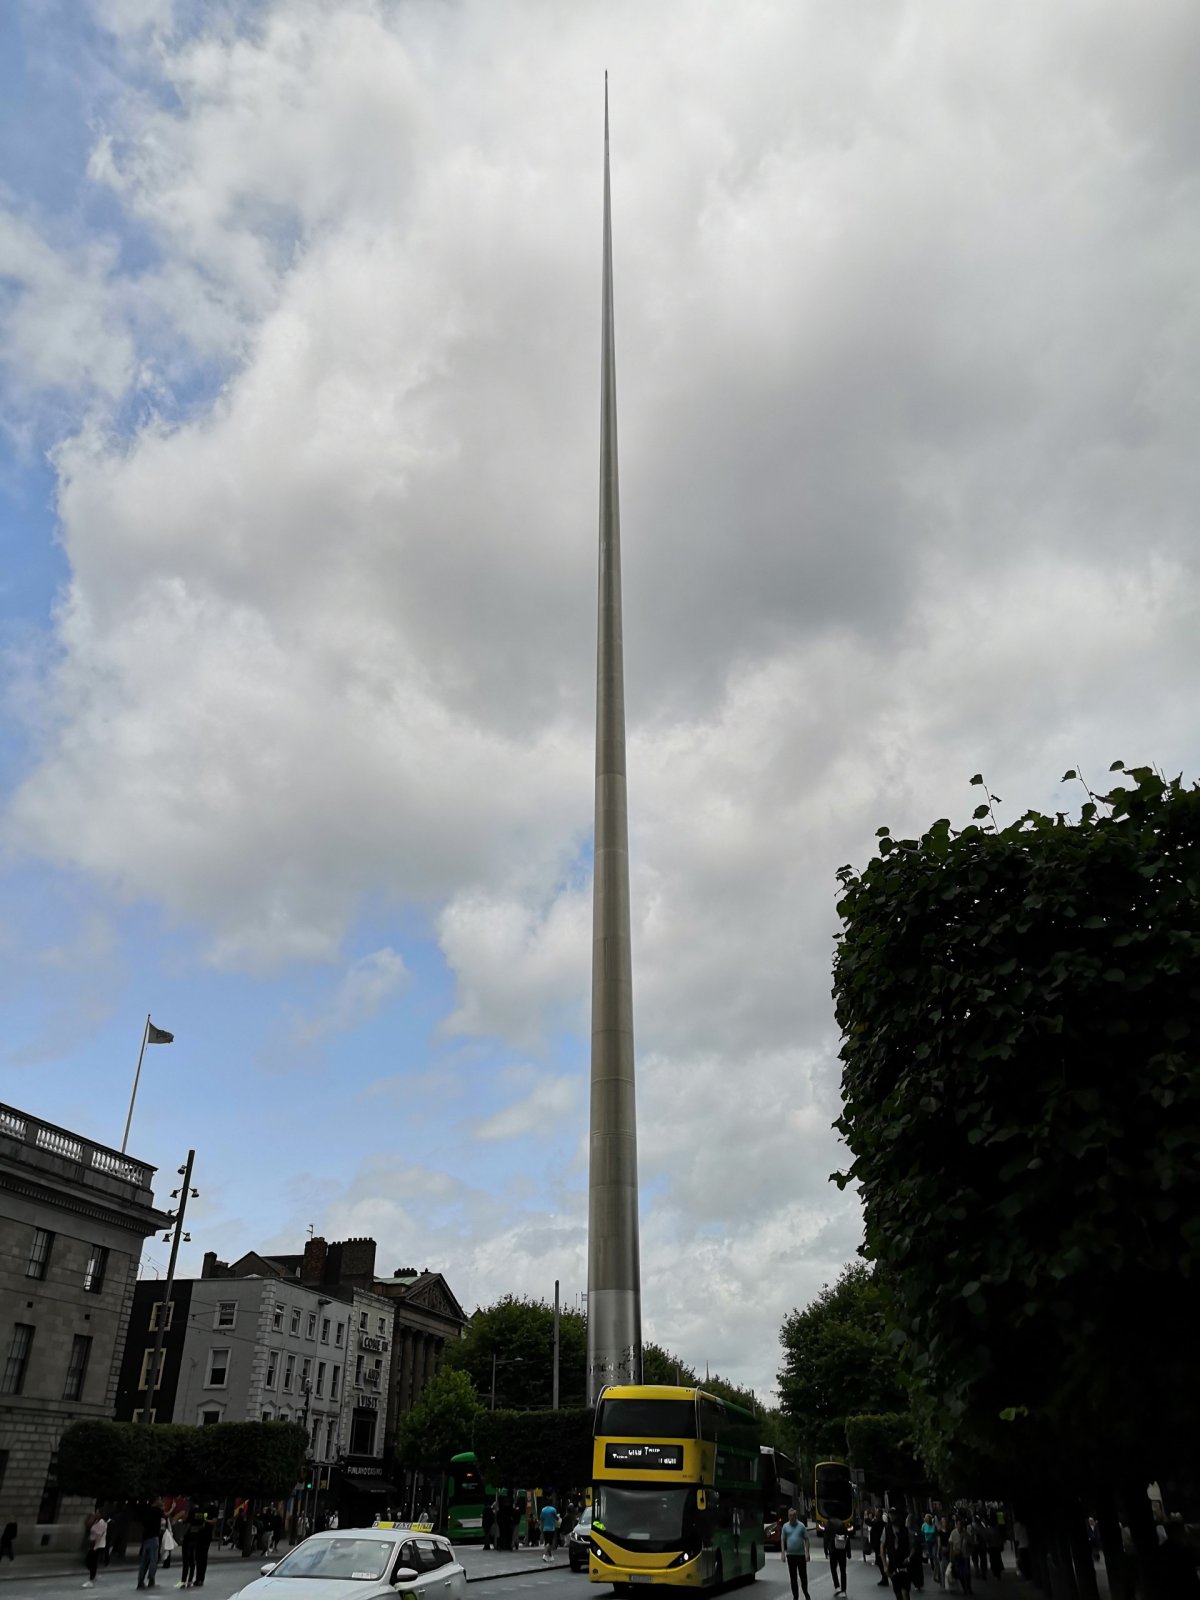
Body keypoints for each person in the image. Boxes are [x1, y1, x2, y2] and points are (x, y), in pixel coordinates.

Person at [780, 1507, 811, 1600]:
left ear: (796, 1516)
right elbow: (782, 1540)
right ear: (788, 1516)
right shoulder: (785, 1526)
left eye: (793, 1516)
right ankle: (795, 1596)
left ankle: (805, 1592)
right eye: (790, 1516)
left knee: (803, 1576)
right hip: (790, 1555)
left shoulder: (801, 1526)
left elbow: (806, 1539)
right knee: (793, 1578)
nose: (791, 1518)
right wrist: (782, 1553)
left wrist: (807, 1553)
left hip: (800, 1555)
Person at [136, 1502, 163, 1590]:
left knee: (144, 1561)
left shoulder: (145, 1511)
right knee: (153, 1560)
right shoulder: (157, 1511)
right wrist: (172, 1507)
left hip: (146, 1538)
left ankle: (140, 1581)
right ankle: (151, 1579)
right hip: (154, 1537)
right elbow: (166, 1514)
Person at [825, 1516, 849, 1597]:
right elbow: (847, 1538)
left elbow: (826, 1539)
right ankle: (844, 1590)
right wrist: (848, 1552)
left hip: (833, 1550)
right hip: (842, 1550)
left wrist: (826, 1551)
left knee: (833, 1568)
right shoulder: (842, 1524)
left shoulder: (828, 1524)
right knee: (843, 1570)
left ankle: (837, 1586)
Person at [84, 1510, 108, 1588]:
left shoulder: (101, 1522)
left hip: (98, 1545)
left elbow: (99, 1534)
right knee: (89, 1562)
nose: (96, 1514)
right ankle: (93, 1575)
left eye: (98, 1513)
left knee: (92, 1562)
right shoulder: (96, 1521)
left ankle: (91, 1579)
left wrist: (94, 1546)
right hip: (94, 1545)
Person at [191, 1516, 212, 1589]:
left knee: (202, 1559)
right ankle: (198, 1578)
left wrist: (205, 1521)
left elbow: (214, 1521)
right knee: (198, 1559)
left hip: (205, 1538)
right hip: (200, 1538)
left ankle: (200, 1579)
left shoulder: (211, 1509)